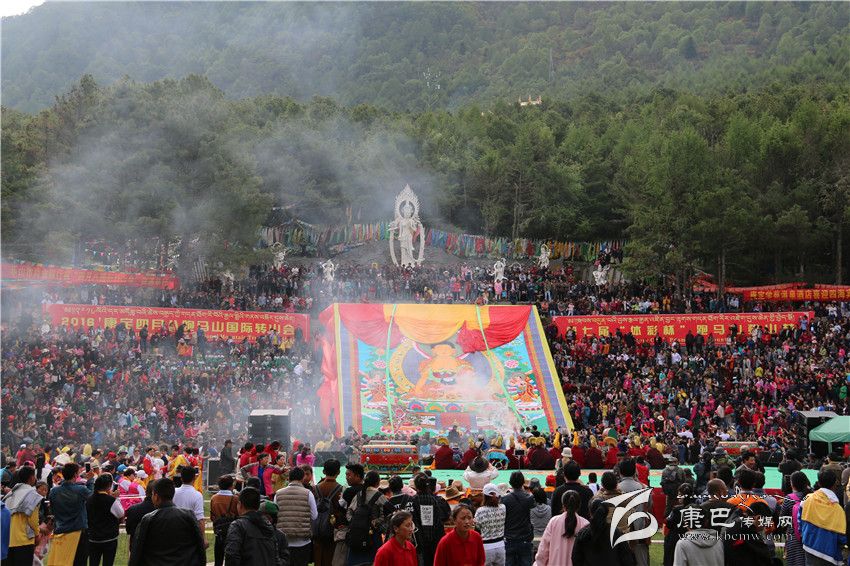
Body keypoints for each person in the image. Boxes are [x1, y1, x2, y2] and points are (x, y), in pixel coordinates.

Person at [127, 478, 206, 566]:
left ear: (156, 496)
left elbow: (137, 551)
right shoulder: (188, 515)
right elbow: (200, 545)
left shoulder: (148, 519)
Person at [47, 463, 94, 566]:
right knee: (79, 562)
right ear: (75, 475)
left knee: (61, 562)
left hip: (61, 531)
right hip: (78, 532)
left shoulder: (54, 491)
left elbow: (52, 510)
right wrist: (90, 480)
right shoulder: (80, 490)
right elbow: (92, 497)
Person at [799, 469, 846, 566]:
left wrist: (804, 535)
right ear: (835, 484)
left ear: (819, 483)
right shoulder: (838, 510)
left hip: (809, 546)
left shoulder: (807, 499)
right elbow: (841, 536)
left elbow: (800, 520)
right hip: (830, 554)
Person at [224, 486, 280, 566]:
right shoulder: (268, 524)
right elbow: (275, 556)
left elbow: (231, 555)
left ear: (240, 504)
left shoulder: (238, 525)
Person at [571, 499, 635, 566]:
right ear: (607, 513)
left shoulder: (583, 534)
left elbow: (575, 558)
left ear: (590, 512)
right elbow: (627, 559)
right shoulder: (616, 533)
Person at [274, 467, 317, 566]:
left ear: (289, 478)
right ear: (302, 478)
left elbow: (275, 515)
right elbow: (314, 516)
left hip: (283, 540)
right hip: (303, 542)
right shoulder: (308, 494)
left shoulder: (278, 494)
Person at [2, 465, 42, 566]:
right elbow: (33, 520)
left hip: (7, 540)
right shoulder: (33, 495)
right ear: (31, 477)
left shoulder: (10, 494)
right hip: (24, 541)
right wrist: (37, 535)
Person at [345, 470, 387, 566]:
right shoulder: (379, 496)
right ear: (378, 482)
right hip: (373, 536)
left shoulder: (358, 495)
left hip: (356, 535)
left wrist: (354, 522)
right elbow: (386, 514)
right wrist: (375, 522)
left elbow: (349, 512)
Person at [535, 491, 588, 566]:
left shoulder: (554, 521)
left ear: (563, 505)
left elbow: (543, 551)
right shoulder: (585, 524)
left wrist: (539, 564)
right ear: (579, 505)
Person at [616, 459, 650, 566]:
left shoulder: (615, 489)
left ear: (620, 472)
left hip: (620, 534)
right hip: (640, 533)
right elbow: (648, 507)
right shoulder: (644, 488)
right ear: (635, 471)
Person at [86, 473, 124, 566]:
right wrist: (116, 498)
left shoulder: (89, 499)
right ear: (109, 485)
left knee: (93, 563)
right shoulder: (111, 500)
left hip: (93, 537)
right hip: (109, 538)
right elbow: (121, 514)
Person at [412, 473, 449, 566]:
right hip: (434, 538)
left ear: (416, 486)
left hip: (420, 538)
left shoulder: (413, 500)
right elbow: (438, 519)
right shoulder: (434, 500)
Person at [314, 459, 343, 566]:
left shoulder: (315, 488)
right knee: (330, 557)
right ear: (338, 472)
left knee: (318, 556)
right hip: (333, 528)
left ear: (323, 471)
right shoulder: (341, 489)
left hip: (317, 527)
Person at [502, 471, 534, 566]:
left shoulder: (505, 499)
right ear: (523, 482)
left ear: (510, 483)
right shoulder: (530, 498)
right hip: (525, 538)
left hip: (509, 538)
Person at [779, 470, 811, 566]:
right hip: (811, 538)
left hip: (794, 539)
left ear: (792, 484)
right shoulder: (812, 497)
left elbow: (783, 522)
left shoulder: (789, 499)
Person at [173, 466, 207, 549]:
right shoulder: (197, 495)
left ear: (181, 478)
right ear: (194, 478)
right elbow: (200, 519)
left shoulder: (173, 492)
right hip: (190, 533)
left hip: (174, 531)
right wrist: (203, 538)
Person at [474, 483, 506, 566]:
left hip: (486, 547)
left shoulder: (480, 511)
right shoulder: (503, 508)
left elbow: (477, 528)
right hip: (500, 546)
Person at [211, 475, 239, 566]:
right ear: (231, 486)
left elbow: (212, 516)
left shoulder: (214, 498)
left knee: (218, 559)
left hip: (219, 531)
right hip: (232, 532)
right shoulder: (235, 499)